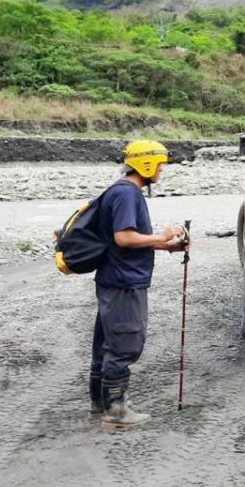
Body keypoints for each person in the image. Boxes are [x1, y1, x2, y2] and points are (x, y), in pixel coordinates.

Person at [89, 140, 188, 428]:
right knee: (124, 341)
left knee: (106, 342)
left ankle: (99, 405)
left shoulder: (119, 191)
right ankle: (116, 411)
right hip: (123, 282)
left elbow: (123, 241)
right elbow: (124, 238)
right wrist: (162, 236)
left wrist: (167, 247)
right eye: (159, 164)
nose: (161, 171)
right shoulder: (127, 195)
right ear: (146, 164)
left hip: (113, 278)